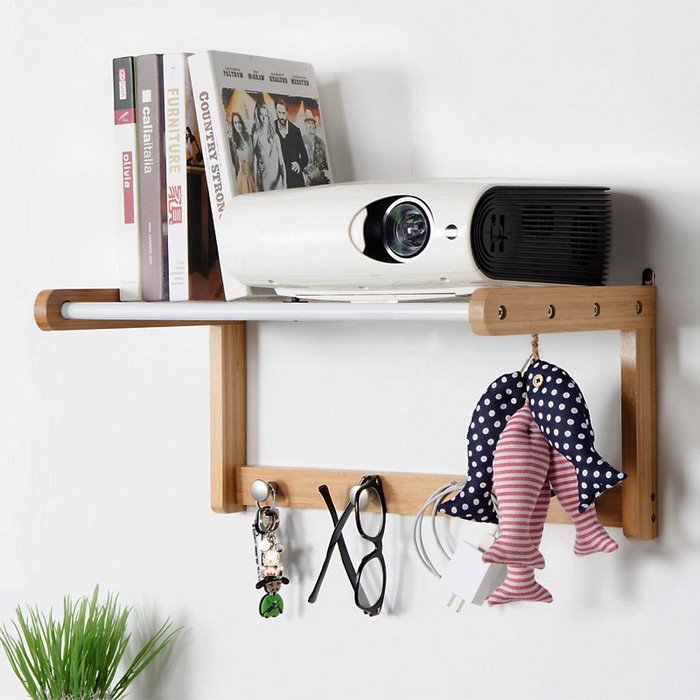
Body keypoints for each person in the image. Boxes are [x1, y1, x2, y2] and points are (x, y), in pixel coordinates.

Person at [251, 100, 286, 191]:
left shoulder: (275, 137)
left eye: (266, 115)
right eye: (261, 115)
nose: (263, 118)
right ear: (257, 116)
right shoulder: (256, 135)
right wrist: (255, 185)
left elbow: (281, 162)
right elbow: (255, 161)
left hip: (278, 180)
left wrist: (285, 183)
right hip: (265, 181)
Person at [274, 99, 307, 188]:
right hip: (279, 180)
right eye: (279, 113)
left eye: (283, 113)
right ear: (276, 112)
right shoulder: (271, 129)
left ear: (287, 113)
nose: (281, 116)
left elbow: (305, 157)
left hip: (295, 179)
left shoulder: (296, 131)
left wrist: (299, 164)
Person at [302, 109, 330, 186]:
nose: (311, 126)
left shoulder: (321, 142)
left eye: (313, 123)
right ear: (305, 125)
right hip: (306, 182)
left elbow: (326, 163)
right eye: (309, 123)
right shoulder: (301, 141)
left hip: (320, 181)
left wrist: (318, 170)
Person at [229, 112, 255, 194]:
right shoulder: (235, 142)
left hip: (251, 175)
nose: (238, 125)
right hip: (241, 177)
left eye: (239, 122)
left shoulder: (249, 139)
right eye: (235, 123)